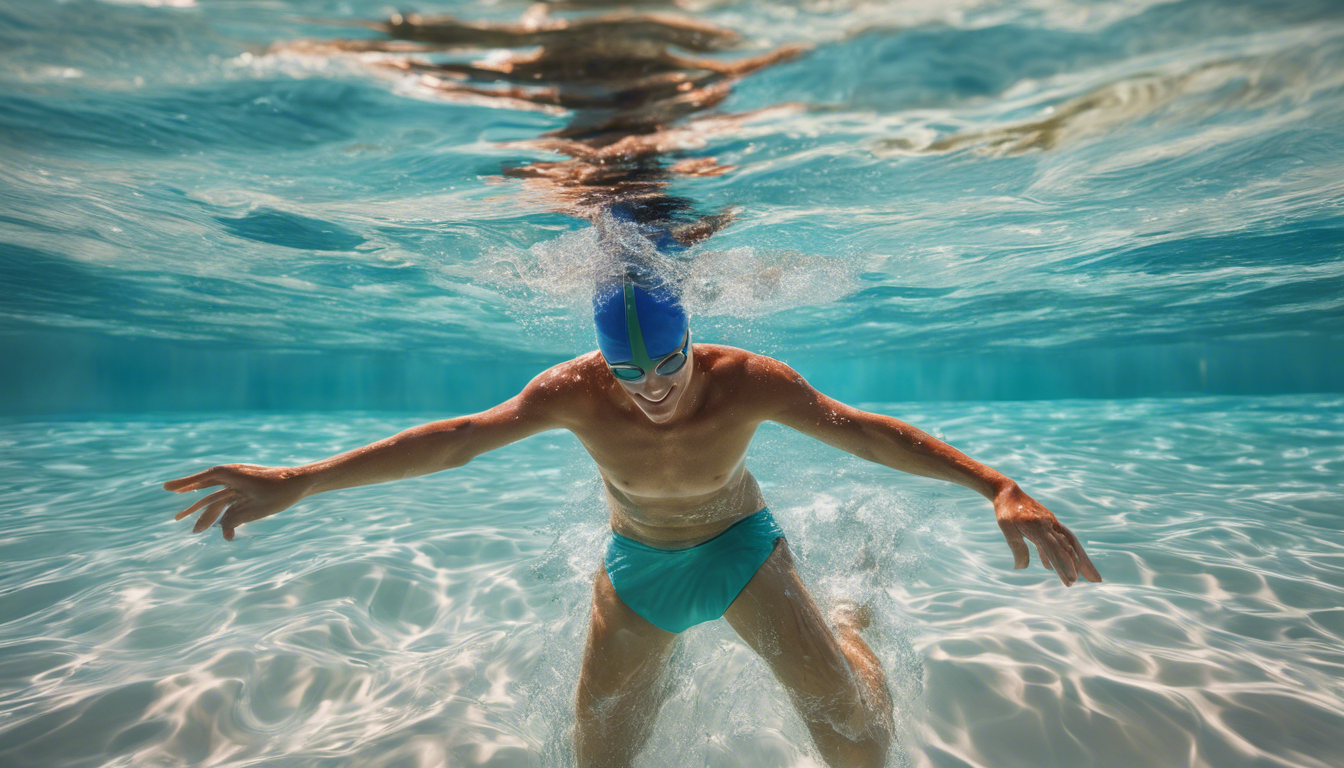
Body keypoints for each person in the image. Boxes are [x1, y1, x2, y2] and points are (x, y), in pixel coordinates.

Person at [165, 266, 1103, 768]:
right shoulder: (574, 392)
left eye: (669, 367)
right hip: (637, 569)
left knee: (860, 747)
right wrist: (302, 480)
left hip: (742, 552)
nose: (652, 392)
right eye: (630, 374)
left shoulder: (747, 383)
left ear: (696, 342)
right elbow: (453, 440)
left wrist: (994, 485)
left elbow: (862, 432)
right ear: (602, 365)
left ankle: (848, 620)